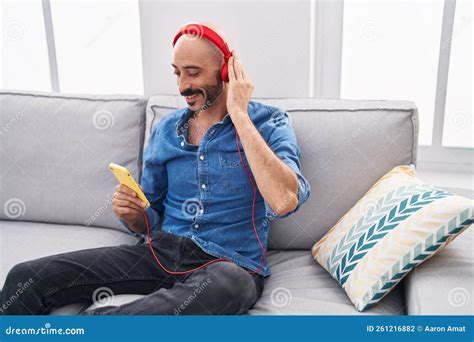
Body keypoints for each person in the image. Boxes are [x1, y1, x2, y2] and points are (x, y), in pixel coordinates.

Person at [0, 22, 310, 315]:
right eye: (177, 73)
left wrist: (239, 116)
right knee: (25, 277)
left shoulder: (270, 123)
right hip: (161, 253)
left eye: (193, 73)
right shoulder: (166, 130)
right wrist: (133, 214)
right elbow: (149, 216)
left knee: (228, 285)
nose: (183, 86)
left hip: (229, 264)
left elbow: (284, 200)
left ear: (227, 72)